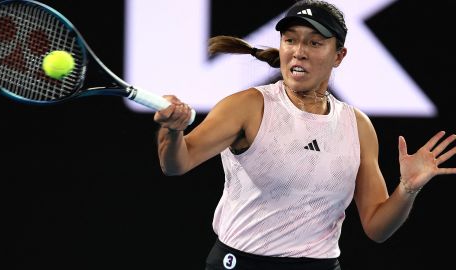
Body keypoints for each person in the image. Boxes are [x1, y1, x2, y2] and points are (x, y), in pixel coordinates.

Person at [153, 0, 456, 269]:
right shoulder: (247, 106)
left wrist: (407, 188)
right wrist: (173, 130)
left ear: (339, 55)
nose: (299, 51)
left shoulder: (357, 126)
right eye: (290, 40)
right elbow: (177, 163)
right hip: (242, 263)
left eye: (314, 43)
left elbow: (377, 227)